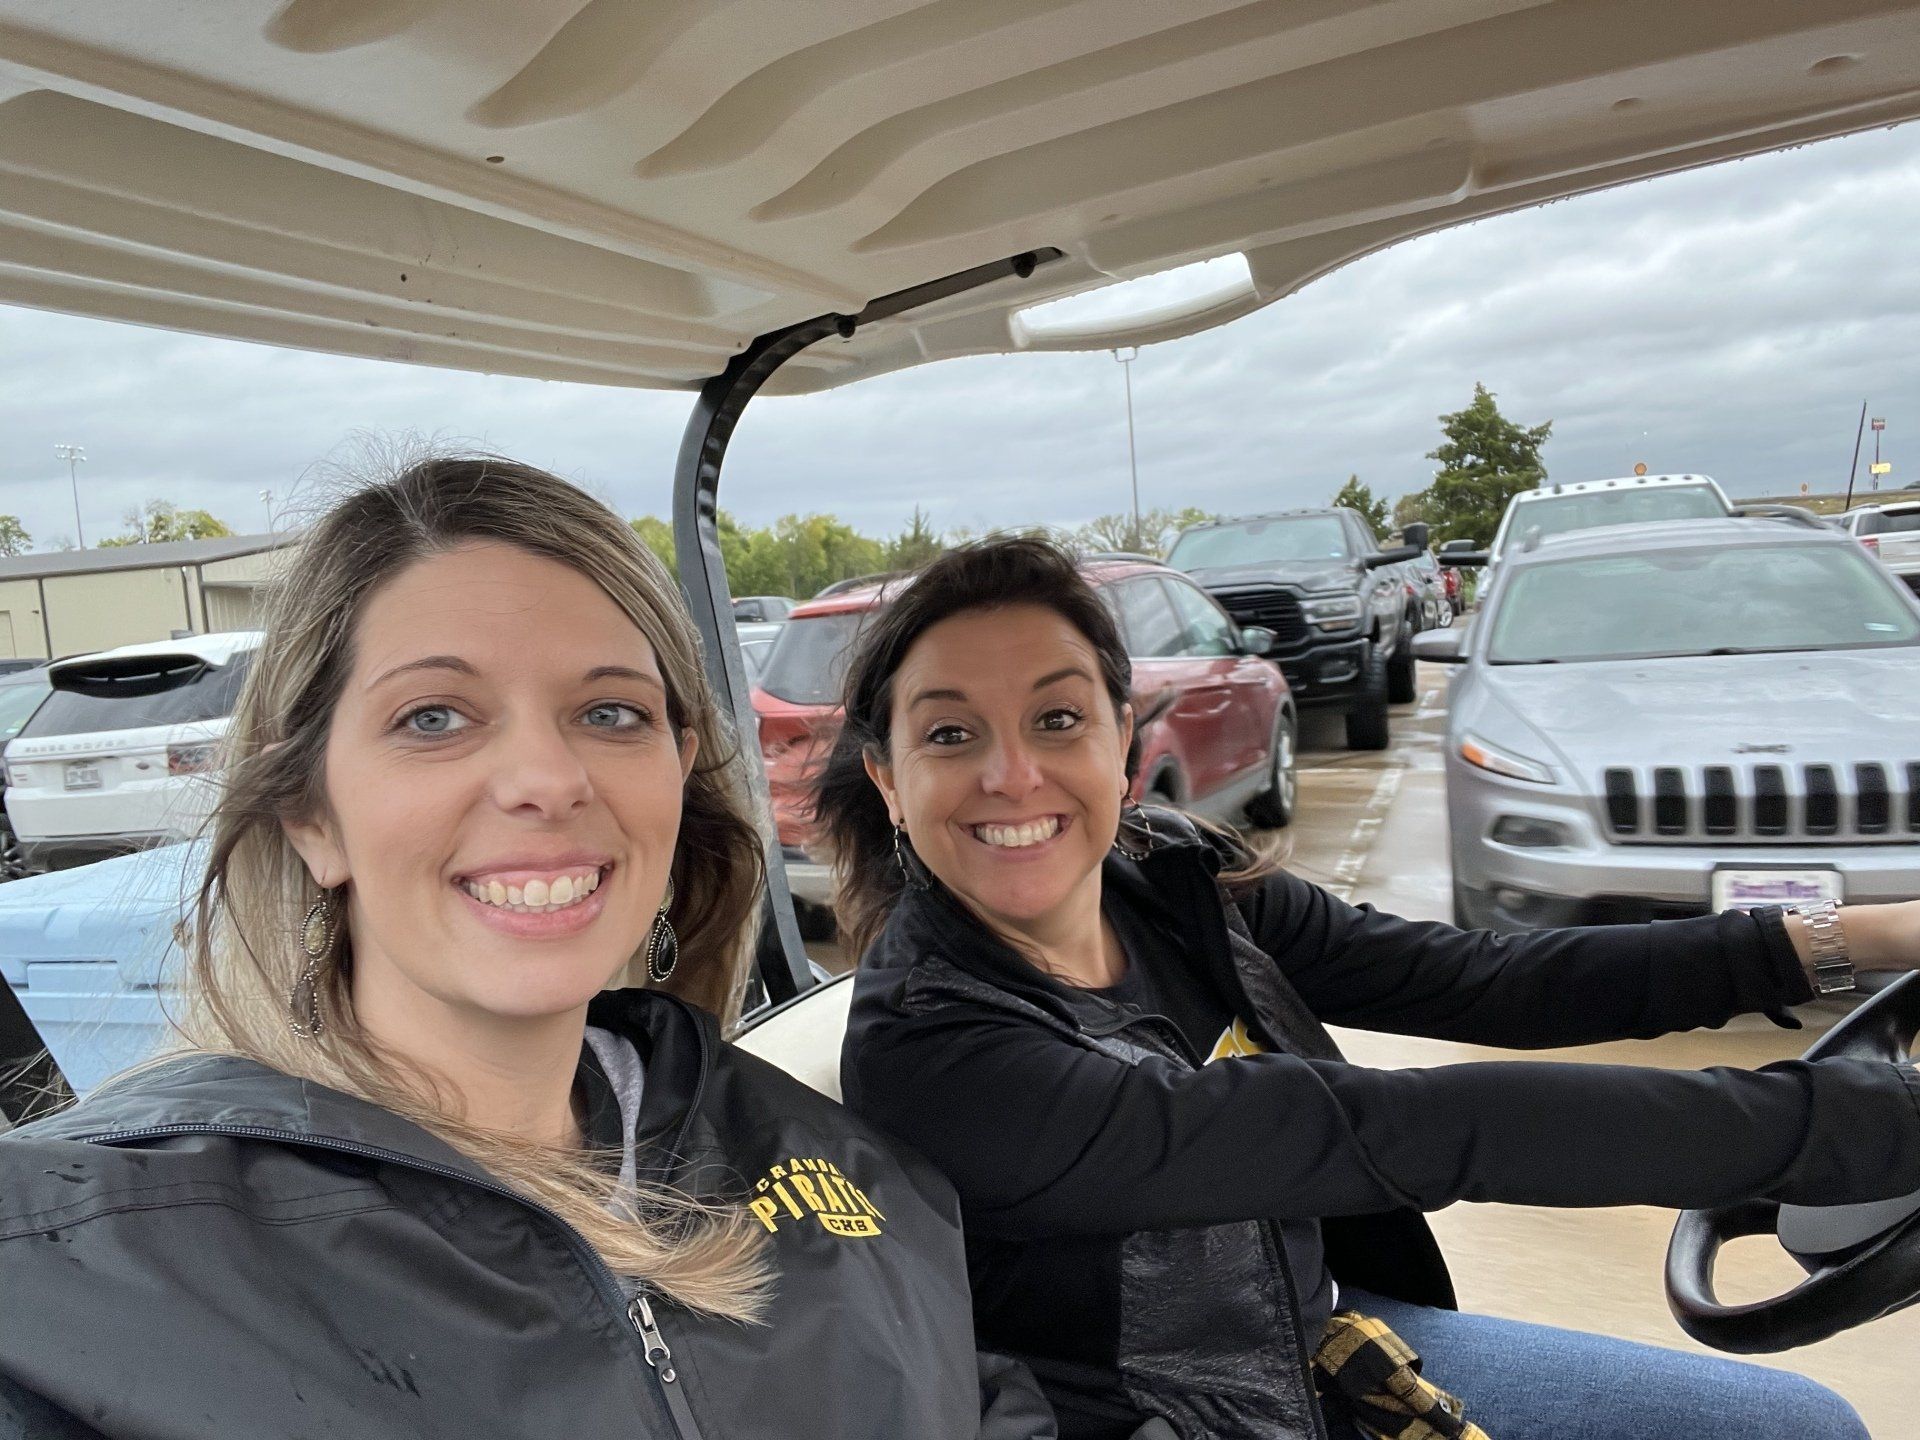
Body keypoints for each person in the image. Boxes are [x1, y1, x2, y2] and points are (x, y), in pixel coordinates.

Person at [0, 458, 1055, 1440]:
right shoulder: (77, 1278)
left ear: (678, 776)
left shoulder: (849, 1167)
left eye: (609, 711)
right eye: (433, 718)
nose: (547, 779)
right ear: (310, 813)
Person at [820, 534, 1920, 1440]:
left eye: (1058, 719)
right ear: (890, 781)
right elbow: (1410, 1129)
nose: (1012, 774)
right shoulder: (933, 1047)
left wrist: (1860, 936)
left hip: (1327, 1344)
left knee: (1797, 1428)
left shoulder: (1174, 884)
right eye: (951, 734)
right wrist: (1870, 1124)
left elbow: (1486, 981)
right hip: (1159, 1418)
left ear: (1122, 744)